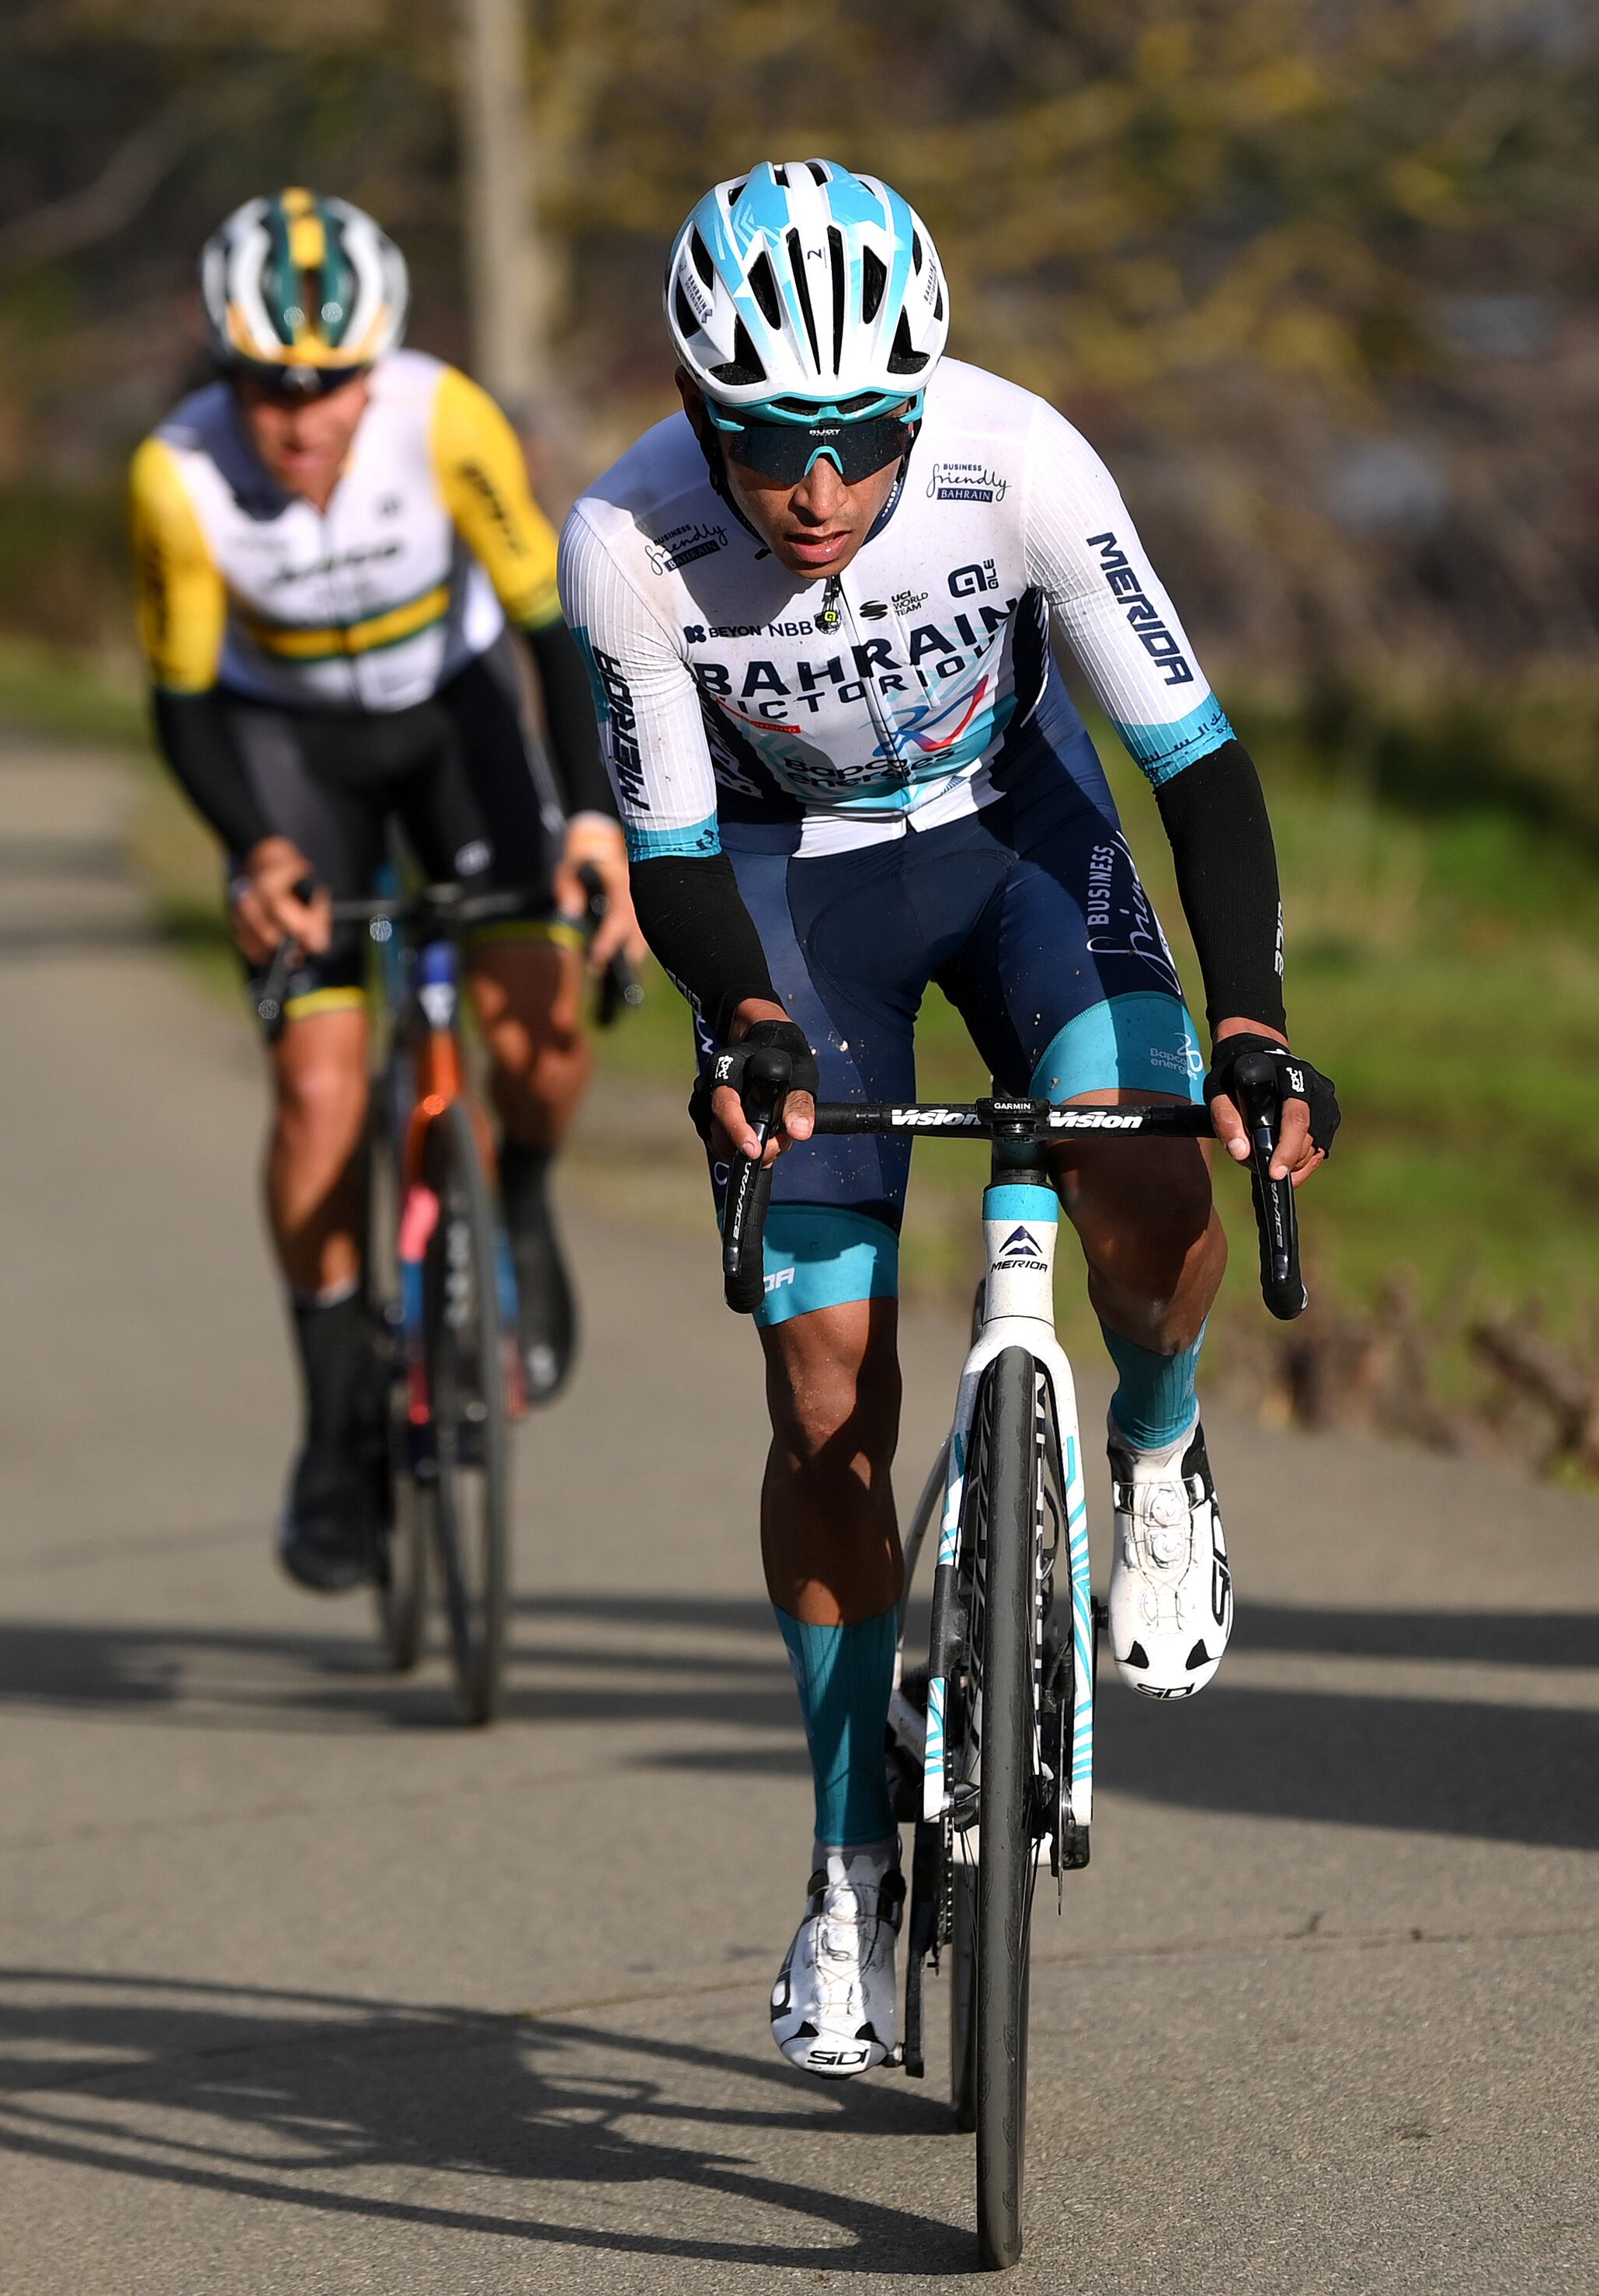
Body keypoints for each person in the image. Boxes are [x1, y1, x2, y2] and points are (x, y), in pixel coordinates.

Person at [558, 160, 1337, 2076]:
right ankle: (842, 1871)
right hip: (789, 888)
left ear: (915, 400)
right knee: (821, 1390)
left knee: (1149, 1171)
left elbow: (1198, 765)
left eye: (852, 439)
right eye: (764, 443)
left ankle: (1157, 1458)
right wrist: (739, 1017)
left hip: (1015, 838)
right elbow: (670, 848)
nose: (812, 488)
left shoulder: (1021, 462)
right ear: (694, 412)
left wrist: (1247, 1026)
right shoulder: (628, 537)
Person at [134, 187, 642, 1593]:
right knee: (315, 1088)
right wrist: (257, 848)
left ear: (379, 371)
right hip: (287, 749)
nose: (299, 423)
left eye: (330, 389)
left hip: (455, 717)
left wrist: (594, 824)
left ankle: (523, 1203)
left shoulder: (444, 419)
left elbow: (551, 630)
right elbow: (180, 701)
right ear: (225, 372)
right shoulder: (173, 476)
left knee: (539, 1022)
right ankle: (334, 1414)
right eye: (268, 389)